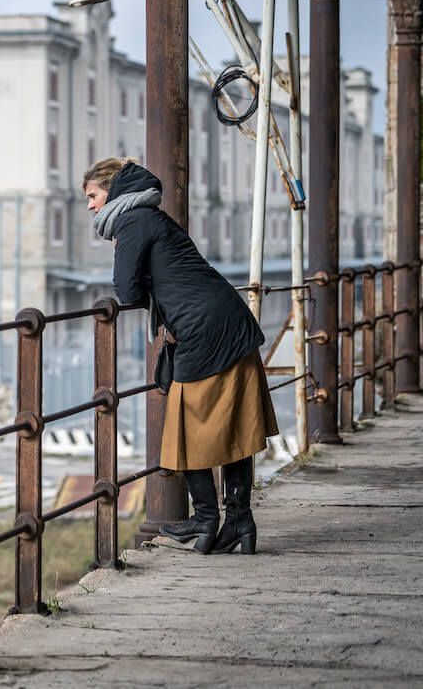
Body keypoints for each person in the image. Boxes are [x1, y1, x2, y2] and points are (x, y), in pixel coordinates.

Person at [83, 157, 279, 555]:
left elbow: (127, 290)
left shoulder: (133, 221)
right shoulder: (149, 216)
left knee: (187, 421)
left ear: (113, 191)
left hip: (204, 329)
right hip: (222, 320)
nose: (90, 206)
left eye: (93, 195)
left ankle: (207, 521)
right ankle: (237, 521)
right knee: (232, 424)